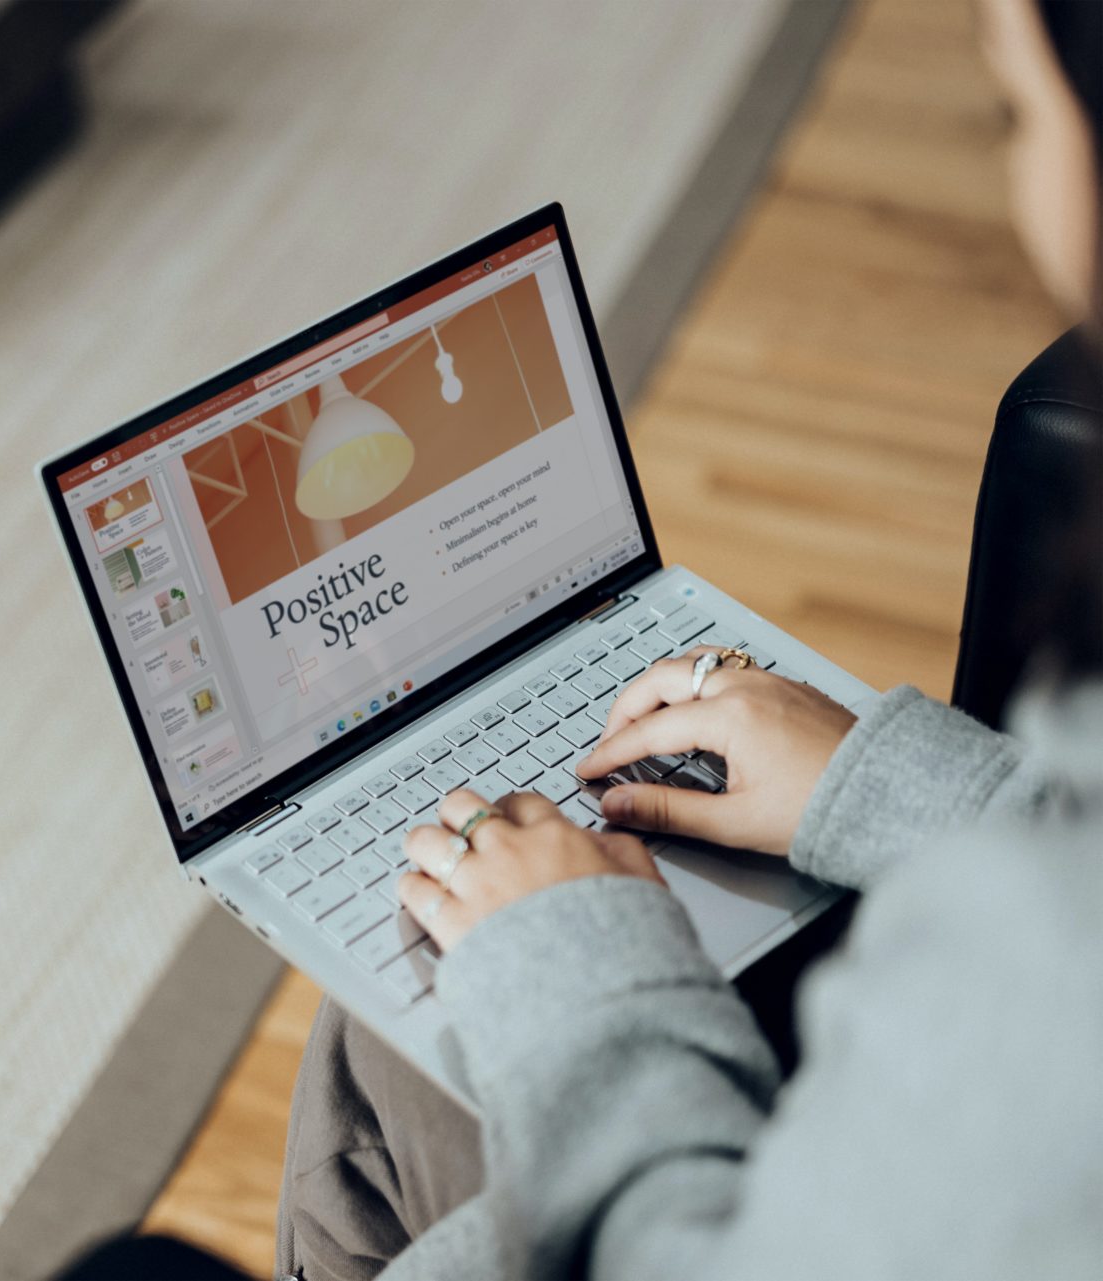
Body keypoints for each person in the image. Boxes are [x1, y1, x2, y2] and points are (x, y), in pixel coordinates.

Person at [275, 0, 1103, 1276]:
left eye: (1019, 107)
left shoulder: (1026, 1002)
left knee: (406, 998)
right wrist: (880, 782)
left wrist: (587, 964)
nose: (1019, 173)